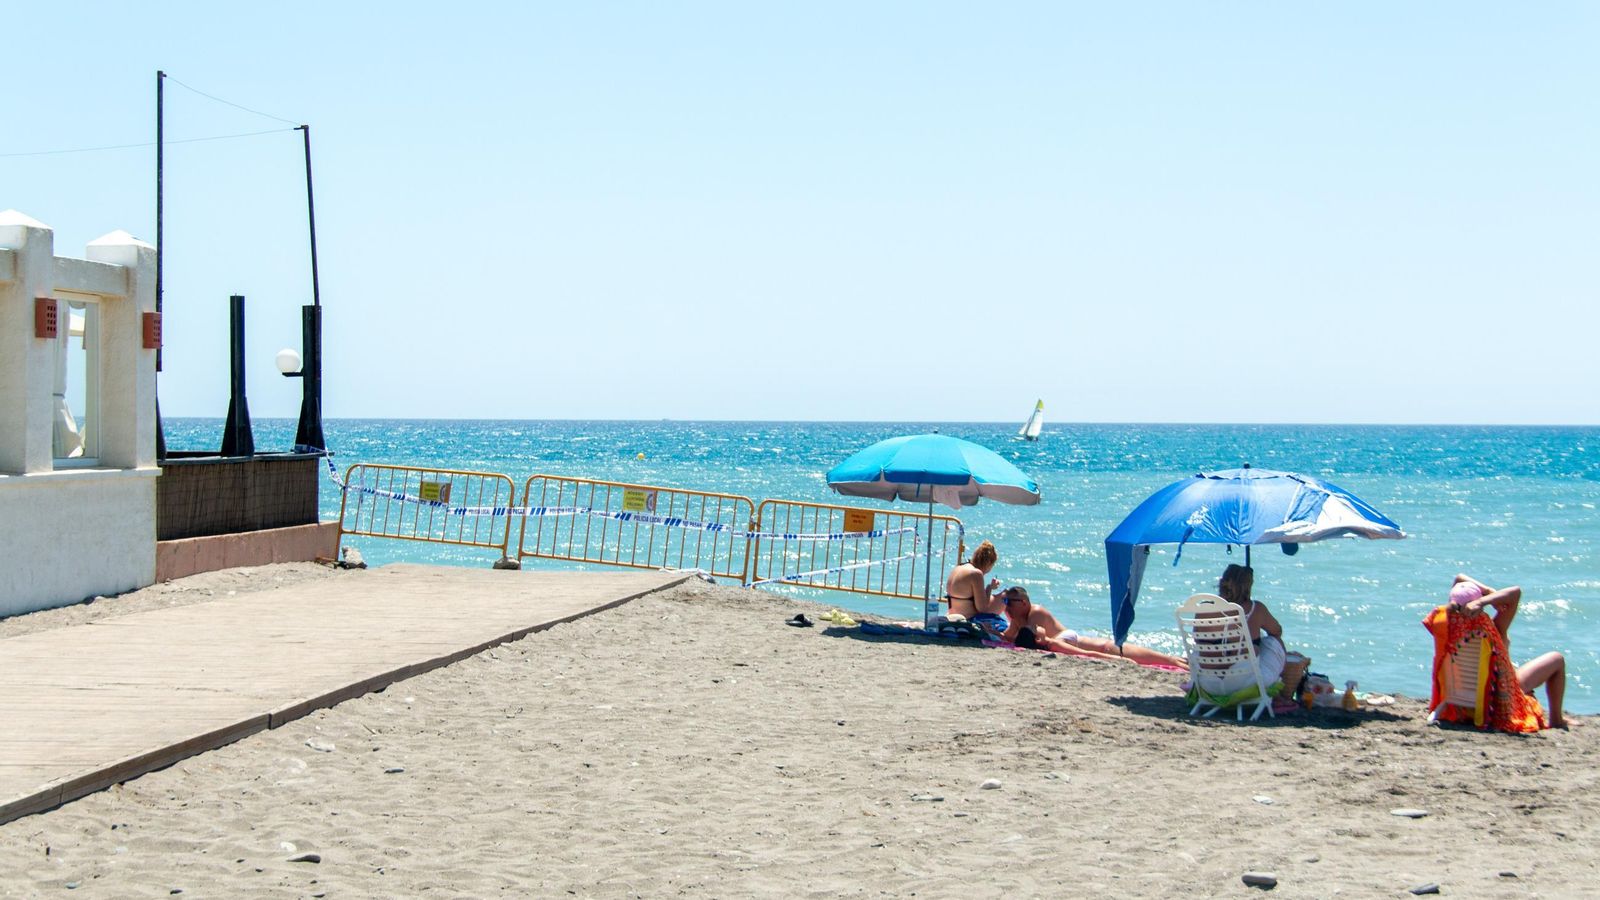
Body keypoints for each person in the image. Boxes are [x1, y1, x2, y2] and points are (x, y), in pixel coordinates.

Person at [1441, 574, 1569, 729]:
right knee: (1557, 659)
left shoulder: (1445, 627)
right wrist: (1487, 597)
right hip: (1497, 695)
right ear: (1477, 605)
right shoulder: (1494, 630)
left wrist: (1483, 595)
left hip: (1460, 699)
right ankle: (1557, 720)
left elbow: (1458, 579)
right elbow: (1516, 592)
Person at [999, 587, 1188, 669]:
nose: (1006, 606)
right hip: (1063, 642)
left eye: (1009, 602)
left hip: (1066, 638)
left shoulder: (1035, 612)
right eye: (1005, 602)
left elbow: (1037, 637)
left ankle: (1175, 661)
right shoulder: (1018, 617)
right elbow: (1009, 638)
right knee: (1112, 649)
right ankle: (1177, 661)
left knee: (1113, 648)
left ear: (1023, 602)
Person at [1215, 563, 1286, 683]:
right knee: (1273, 641)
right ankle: (1283, 689)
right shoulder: (1256, 609)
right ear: (1248, 586)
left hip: (1209, 681)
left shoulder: (1206, 609)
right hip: (1245, 682)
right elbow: (1277, 631)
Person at [944, 540, 1006, 635]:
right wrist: (989, 588)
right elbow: (982, 609)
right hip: (968, 618)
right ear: (989, 563)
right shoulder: (976, 574)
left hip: (952, 615)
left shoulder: (958, 568)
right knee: (1006, 596)